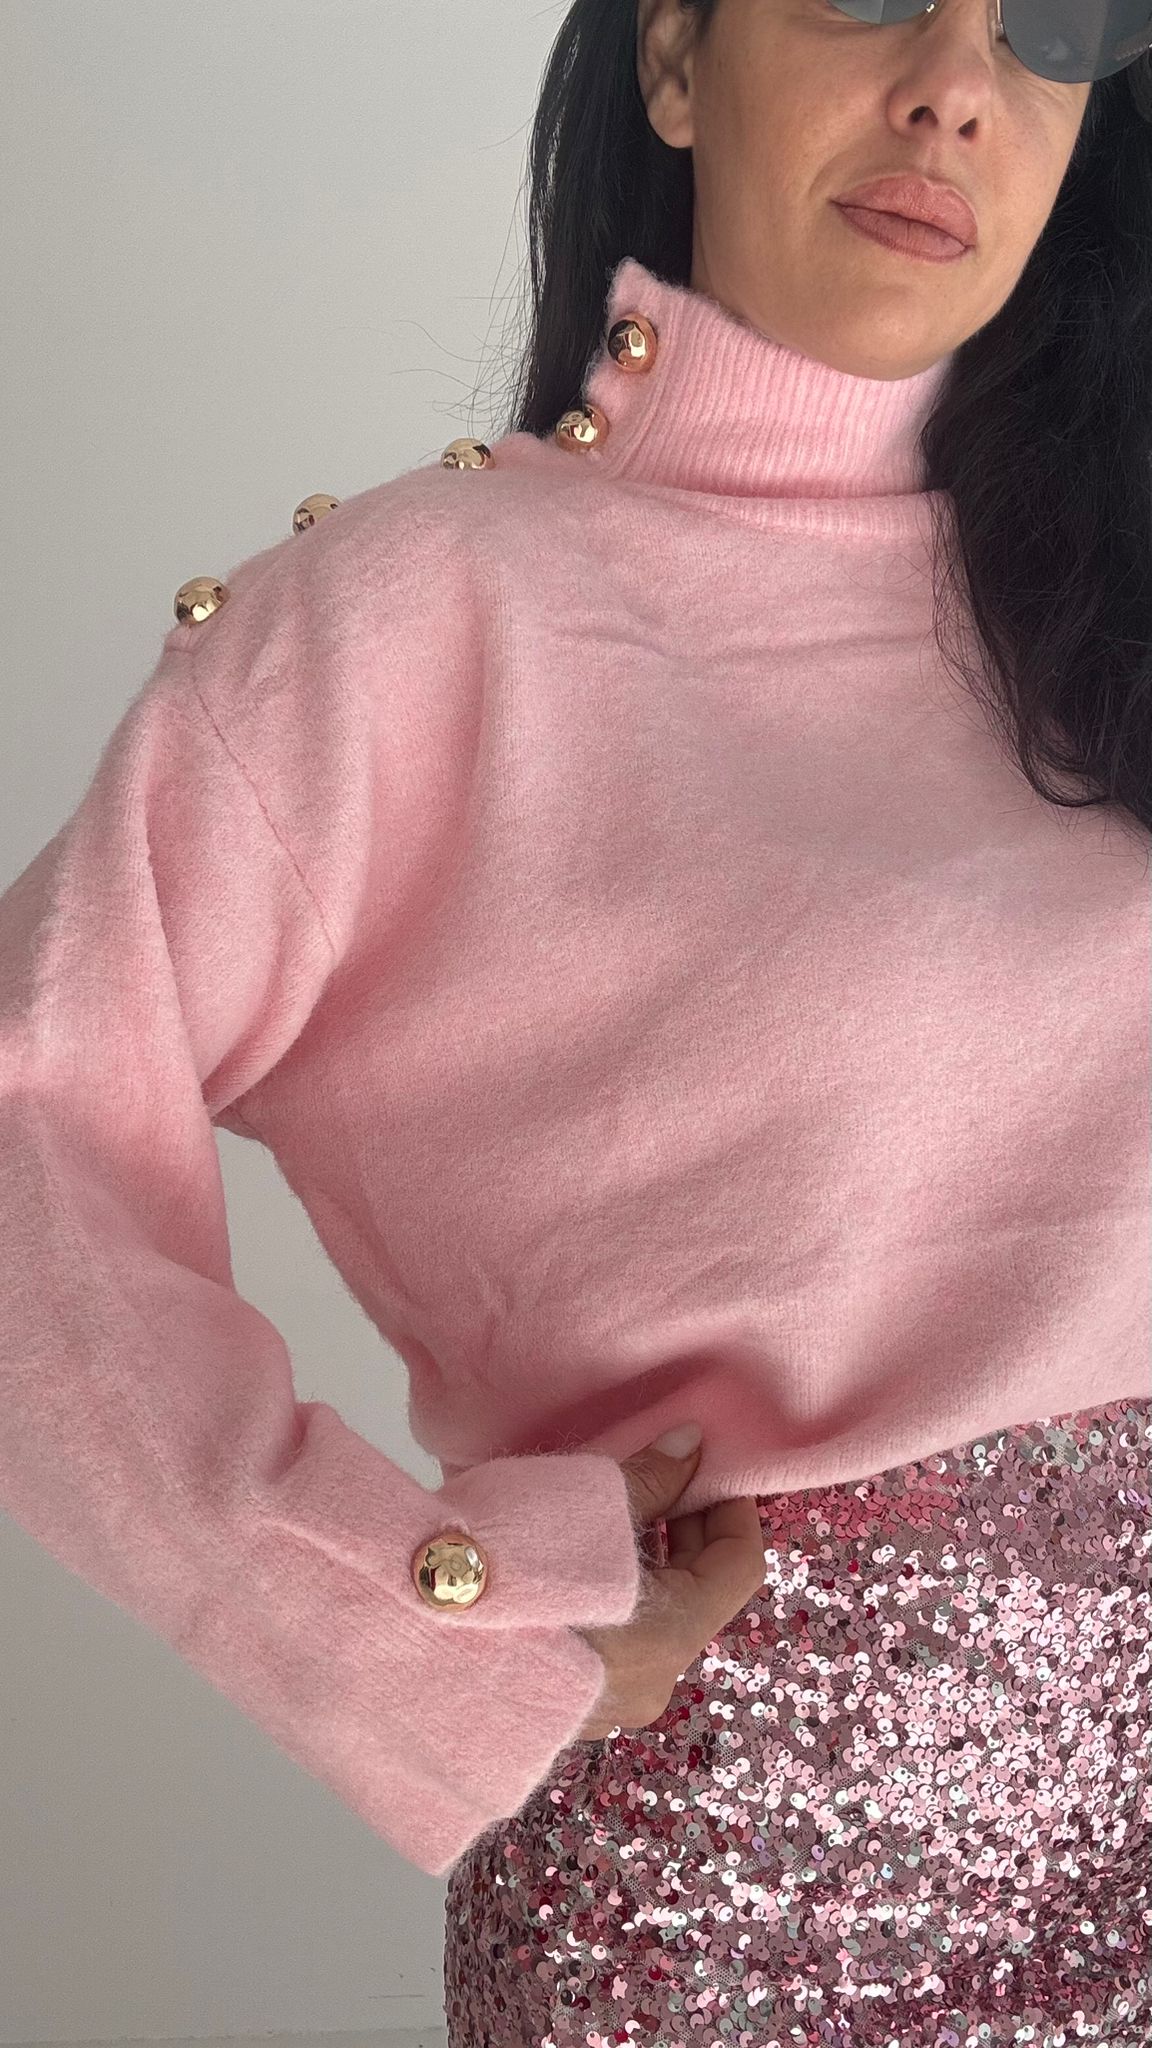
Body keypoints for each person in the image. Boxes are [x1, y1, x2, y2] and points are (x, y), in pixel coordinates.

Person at [1, 0, 1150, 2041]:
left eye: (1053, 20)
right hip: (746, 1906)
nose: (956, 87)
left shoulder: (1103, 608)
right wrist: (402, 1613)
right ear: (674, 56)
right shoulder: (414, 624)